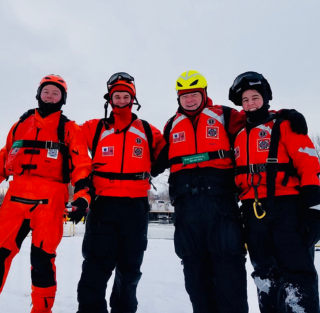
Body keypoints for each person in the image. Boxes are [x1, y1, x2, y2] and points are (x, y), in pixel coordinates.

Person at [151, 70, 308, 313]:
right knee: (196, 277)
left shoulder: (224, 115)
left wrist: (285, 115)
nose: (189, 100)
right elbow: (157, 159)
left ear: (204, 94)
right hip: (187, 210)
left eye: (194, 94)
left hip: (220, 206)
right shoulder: (172, 125)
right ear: (178, 99)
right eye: (184, 96)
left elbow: (256, 117)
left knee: (229, 274)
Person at [0, 74, 93, 313]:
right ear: (38, 94)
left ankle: (41, 310)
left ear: (63, 99)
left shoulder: (70, 129)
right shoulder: (21, 124)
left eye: (56, 93)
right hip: (16, 197)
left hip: (50, 201)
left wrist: (83, 196)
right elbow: (5, 157)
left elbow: (82, 165)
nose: (50, 96)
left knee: (42, 260)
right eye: (46, 91)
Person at [229, 71, 320, 313]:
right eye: (245, 99)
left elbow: (309, 166)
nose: (250, 104)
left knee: (296, 274)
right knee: (264, 276)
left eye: (255, 97)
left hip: (288, 210)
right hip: (253, 213)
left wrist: (314, 211)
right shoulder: (238, 136)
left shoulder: (286, 125)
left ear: (266, 98)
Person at [76, 72, 165, 313]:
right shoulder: (94, 128)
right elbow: (69, 138)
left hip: (135, 208)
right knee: (95, 266)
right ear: (110, 99)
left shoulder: (147, 130)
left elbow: (169, 150)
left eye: (127, 96)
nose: (122, 100)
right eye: (117, 96)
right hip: (103, 205)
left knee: (130, 270)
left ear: (133, 99)